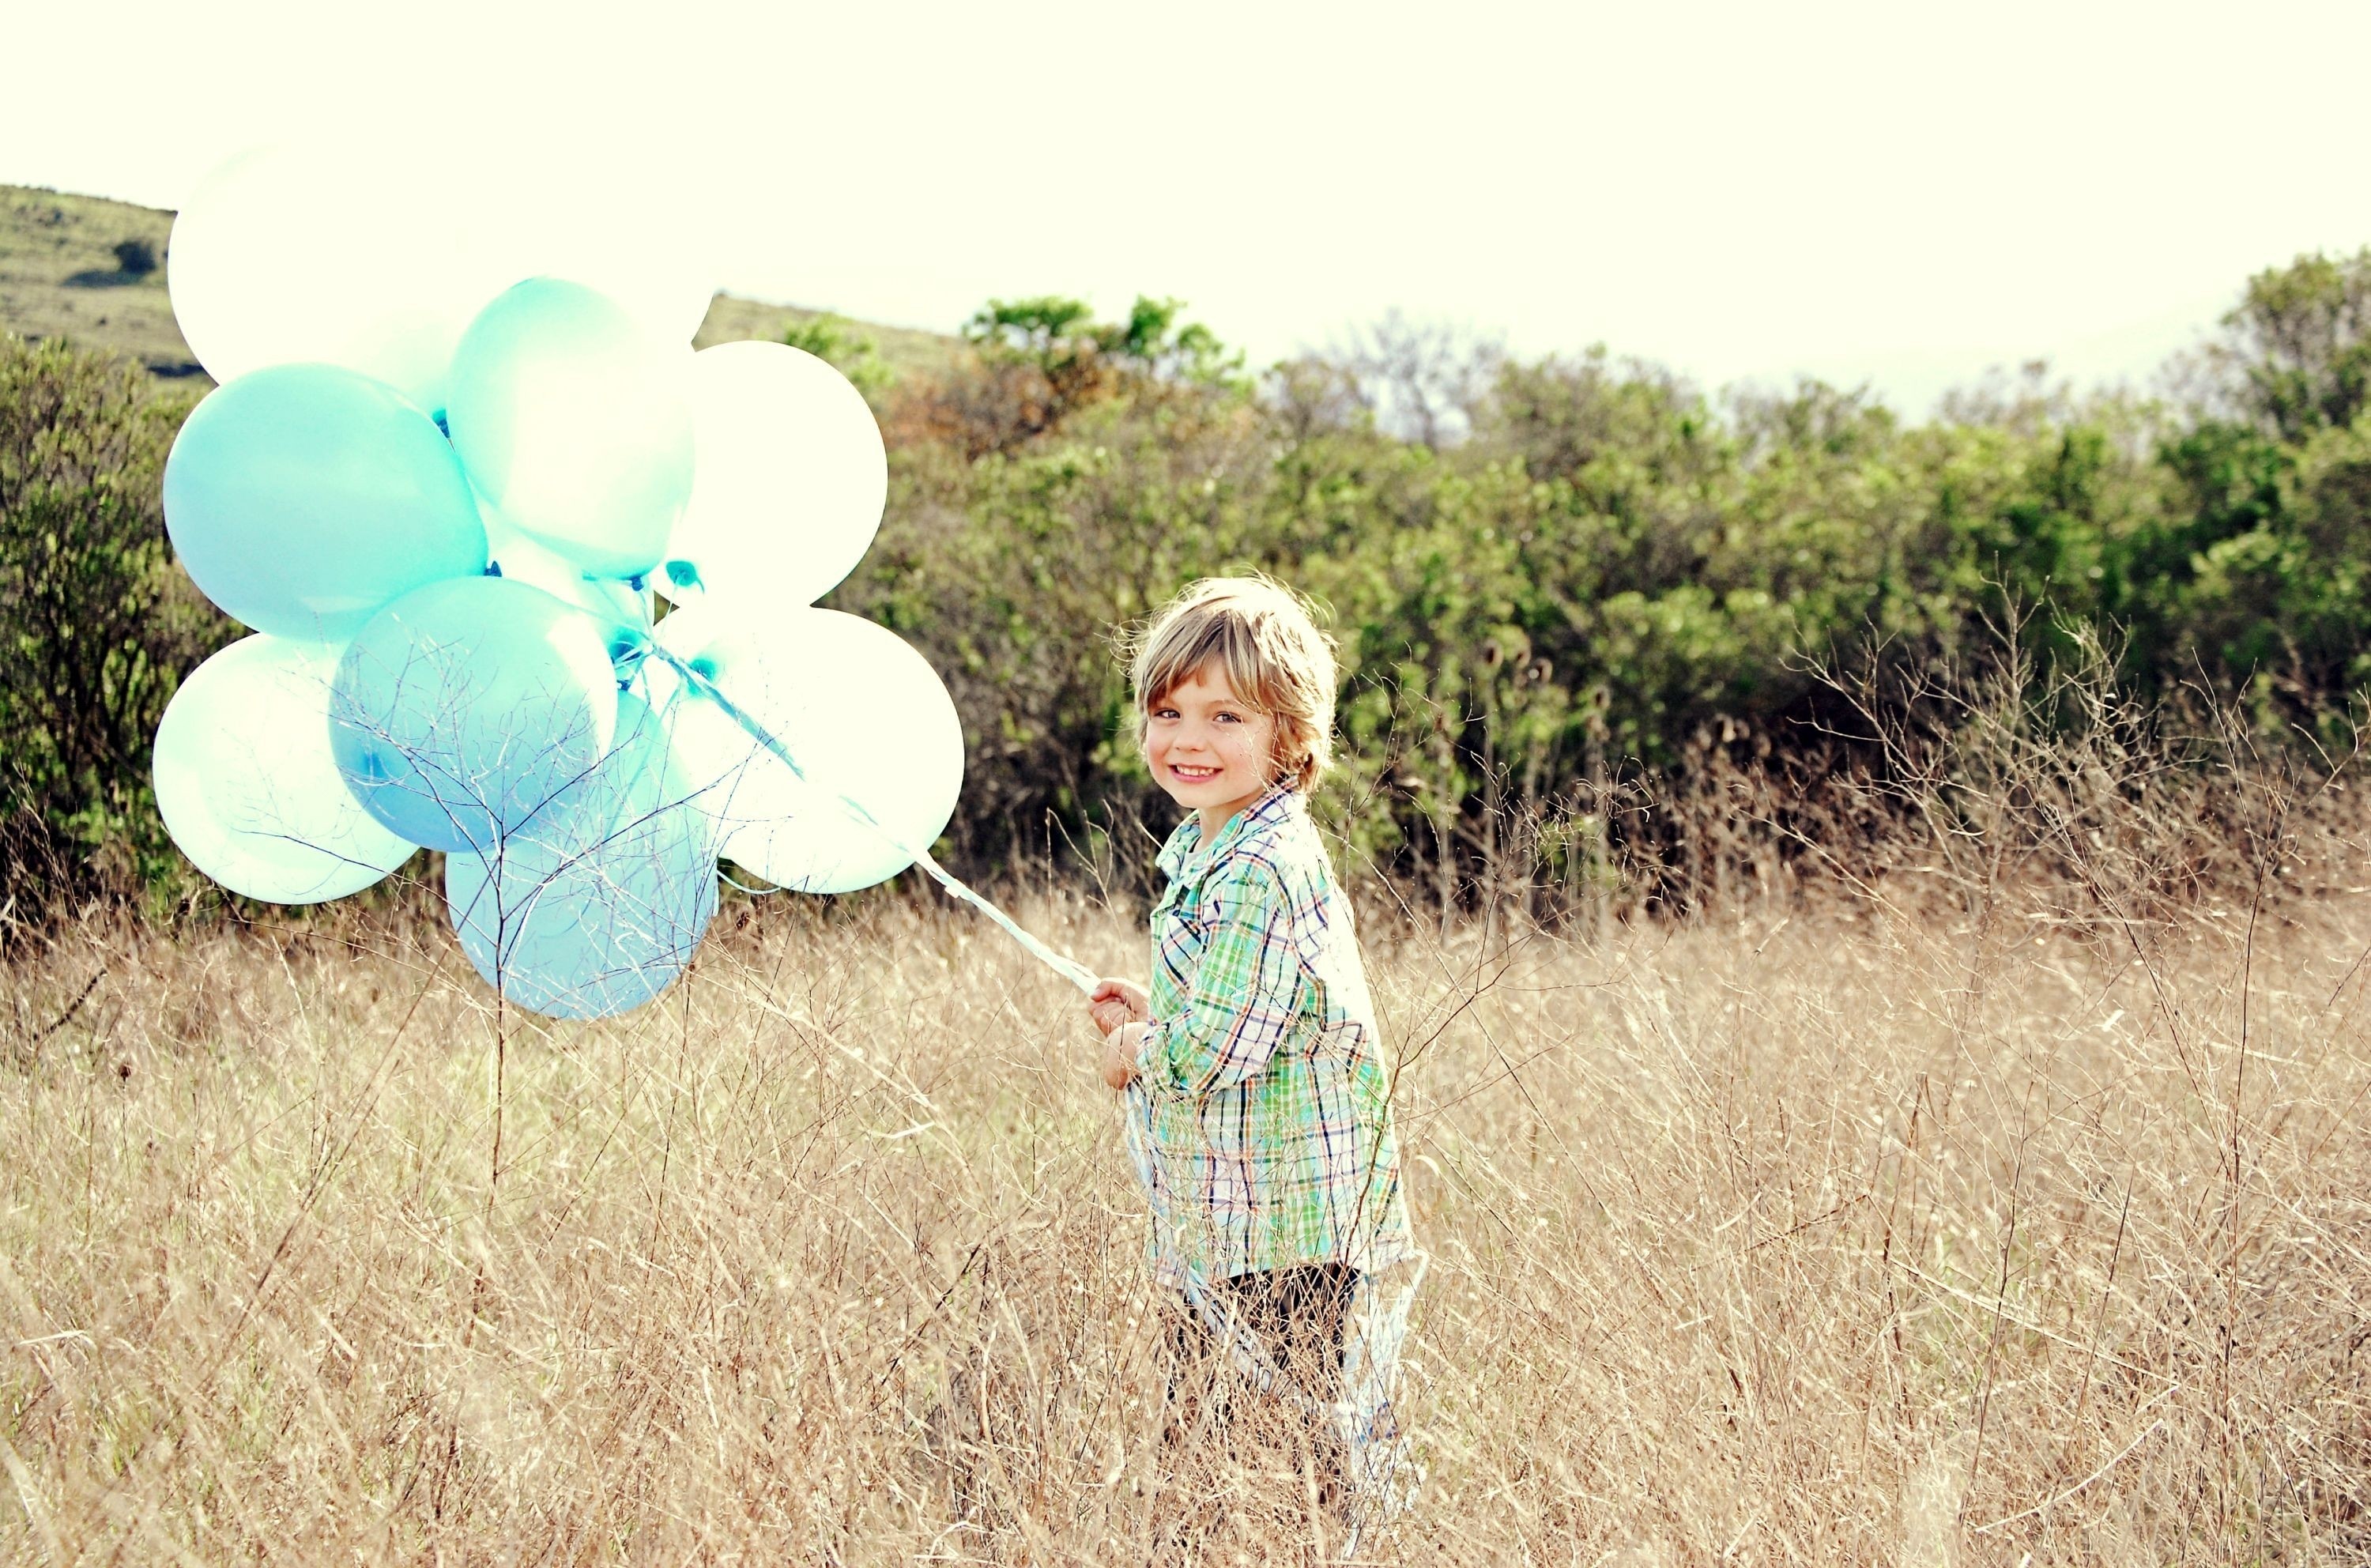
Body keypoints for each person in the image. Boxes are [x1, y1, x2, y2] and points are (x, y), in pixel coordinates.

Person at [1086, 574, 1415, 1553]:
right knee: (1214, 1435)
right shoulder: (1208, 844)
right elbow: (1247, 1017)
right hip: (1232, 1215)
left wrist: (1139, 1052)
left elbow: (1209, 1056)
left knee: (1282, 1441)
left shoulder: (1266, 863)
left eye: (1226, 714)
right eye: (1168, 710)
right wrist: (1160, 1014)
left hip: (1289, 1219)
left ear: (1290, 736)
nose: (1188, 737)